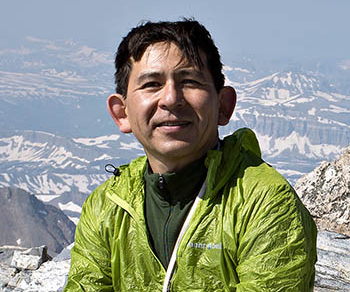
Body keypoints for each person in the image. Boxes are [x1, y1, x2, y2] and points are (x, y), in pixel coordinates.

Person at [64, 19, 317, 291]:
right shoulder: (107, 206)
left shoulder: (265, 203)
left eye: (190, 81)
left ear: (224, 106)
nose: (171, 99)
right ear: (121, 113)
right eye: (151, 84)